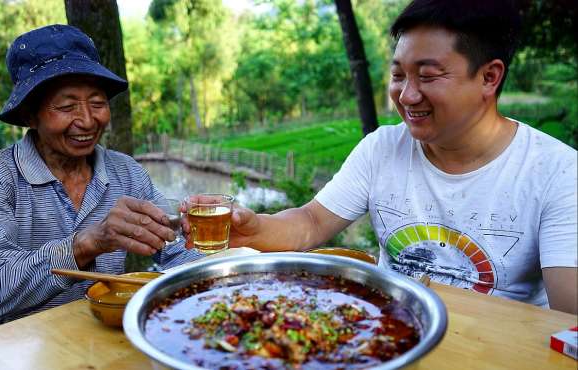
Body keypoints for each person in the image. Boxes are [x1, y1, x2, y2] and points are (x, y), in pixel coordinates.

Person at [184, 0, 577, 314]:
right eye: (399, 75)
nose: (406, 96)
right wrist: (254, 231)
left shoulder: (556, 171)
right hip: (395, 340)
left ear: (489, 78)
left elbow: (568, 314)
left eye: (427, 76)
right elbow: (310, 221)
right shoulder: (382, 148)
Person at [0, 24, 202, 330]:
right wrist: (85, 244)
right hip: (17, 347)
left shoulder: (125, 171)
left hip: (102, 333)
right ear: (29, 116)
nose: (88, 120)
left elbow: (177, 247)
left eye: (98, 103)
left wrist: (212, 250)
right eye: (66, 106)